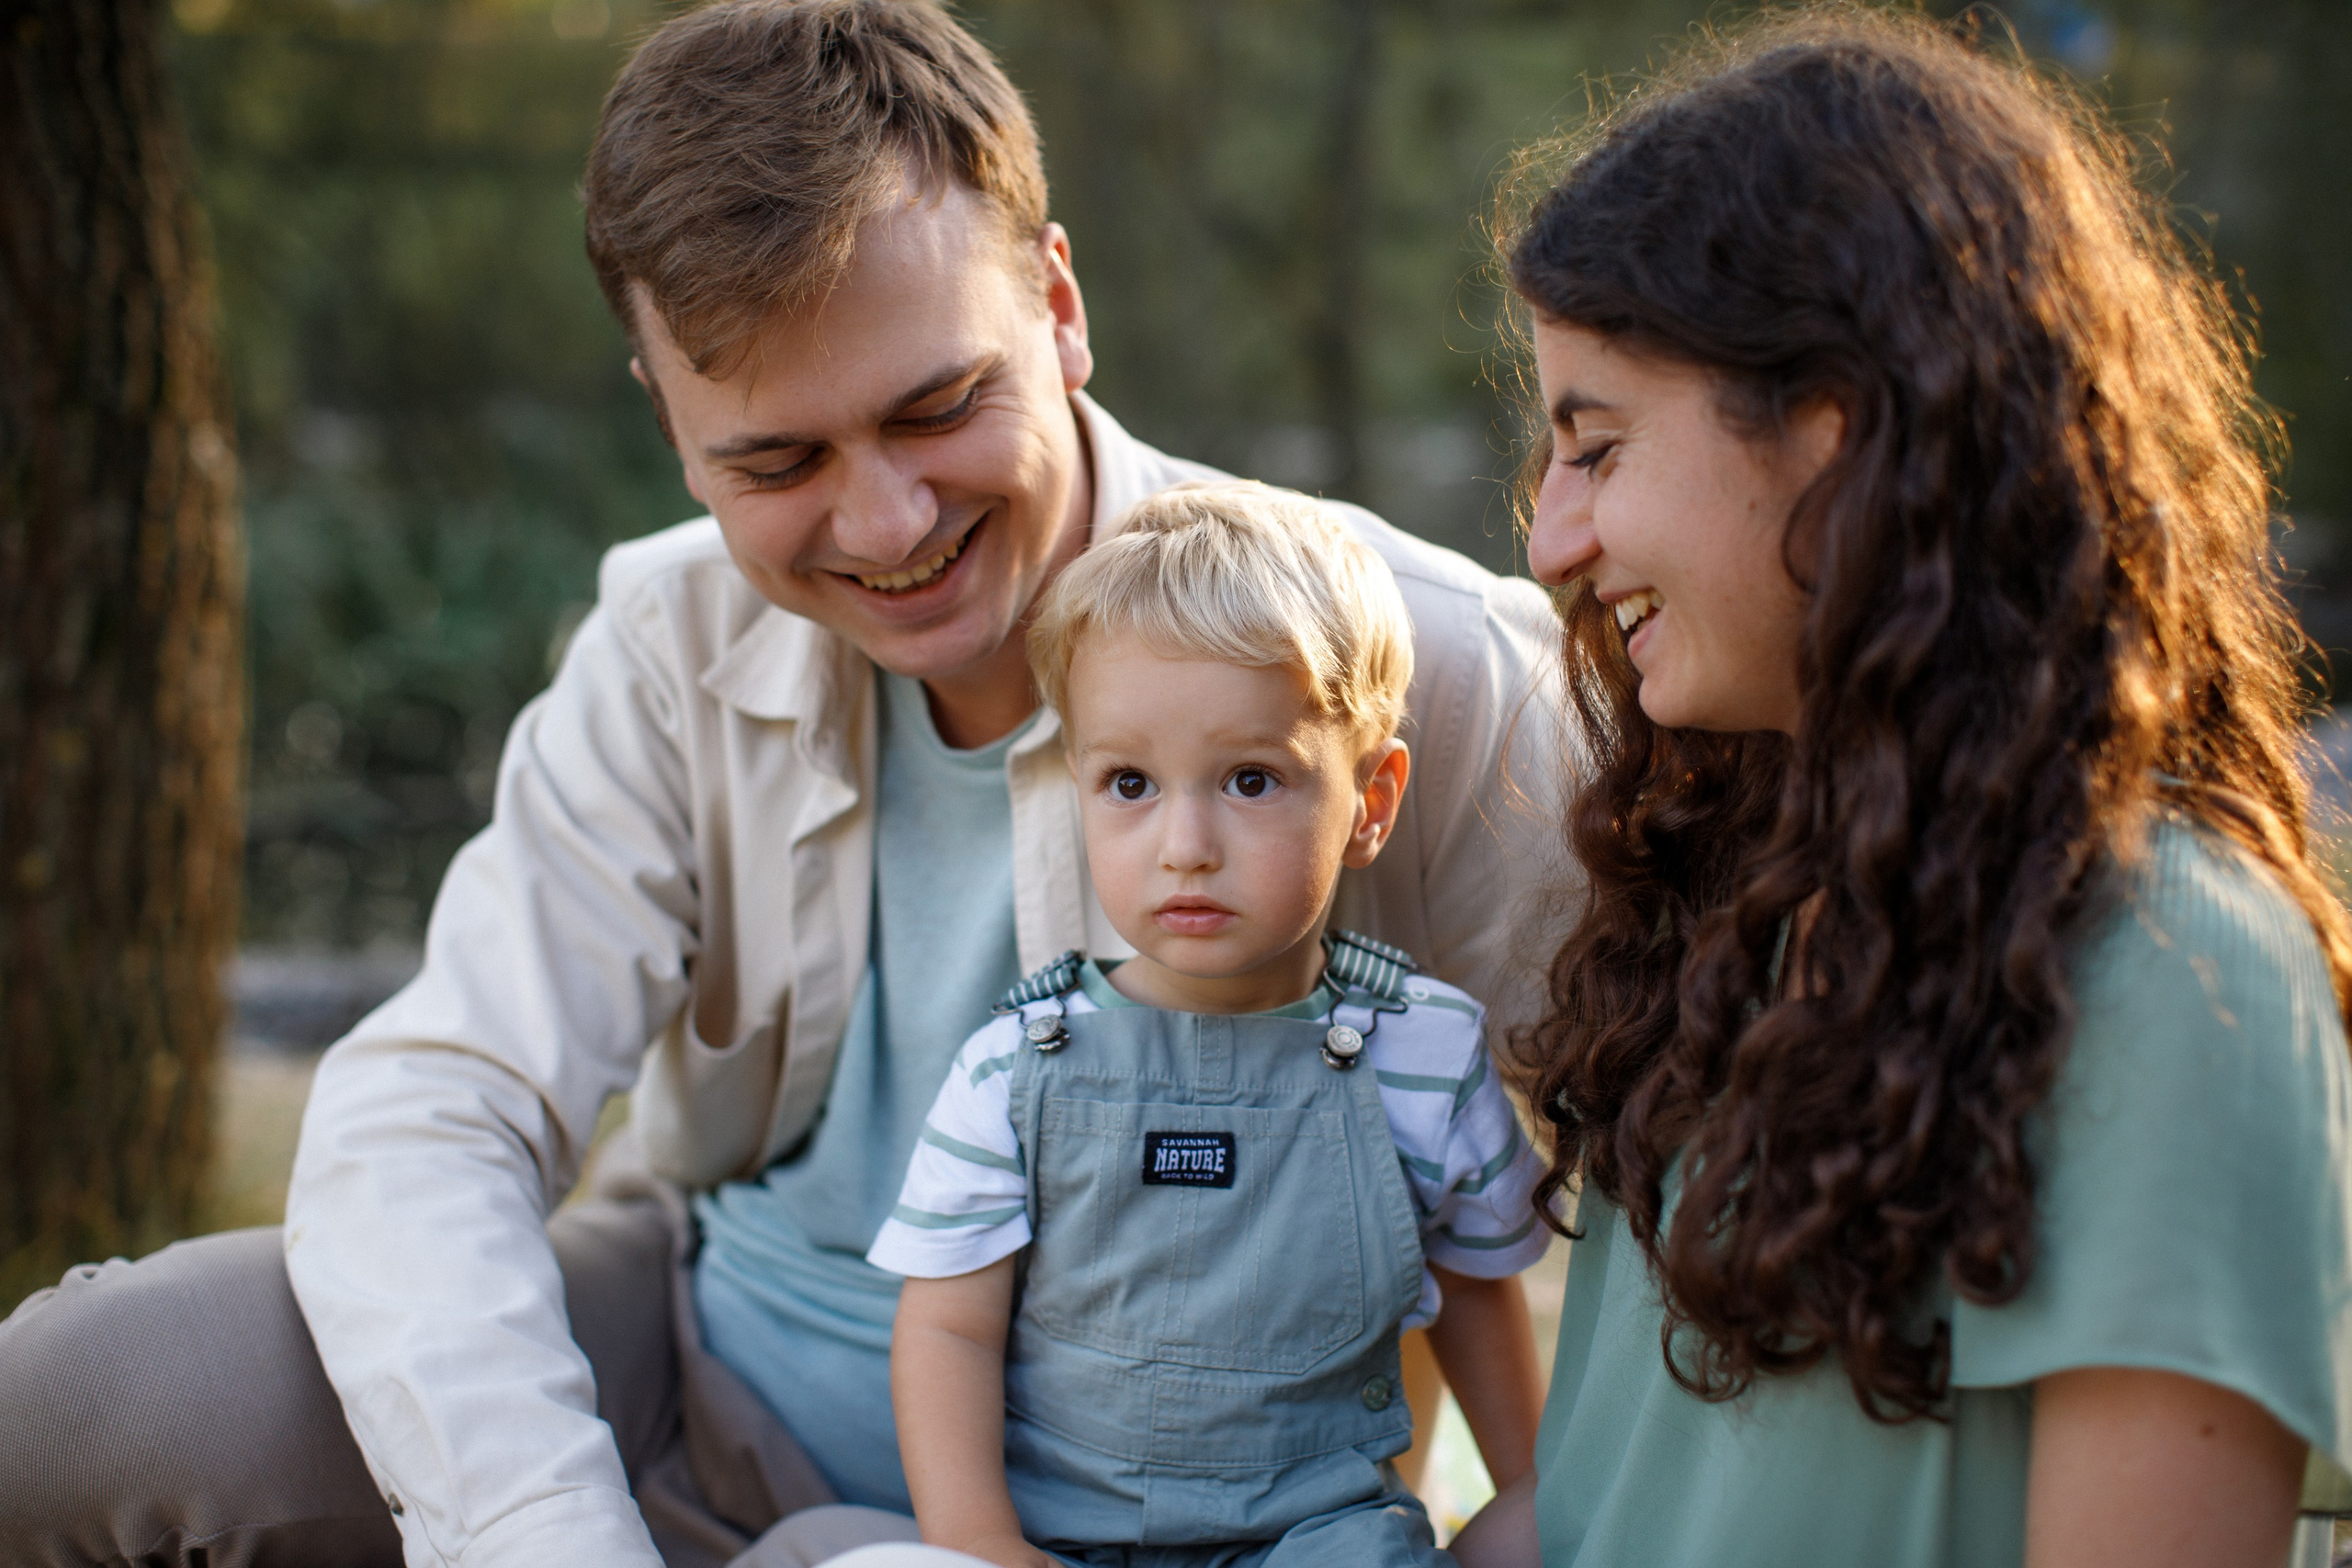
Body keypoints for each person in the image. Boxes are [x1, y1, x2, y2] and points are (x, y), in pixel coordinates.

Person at [0, 4, 1567, 1566]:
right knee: (74, 1396)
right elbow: (438, 1101)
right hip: (700, 1377)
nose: (886, 524)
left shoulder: (1403, 662)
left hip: (1176, 1510)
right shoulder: (668, 639)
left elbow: (1703, 1136)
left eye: (937, 406)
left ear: (1060, 305)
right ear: (668, 421)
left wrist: (1549, 1512)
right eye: (775, 462)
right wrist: (548, 1527)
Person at [1444, 9, 2352, 1568]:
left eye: (1597, 446)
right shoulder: (1738, 910)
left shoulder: (2175, 978)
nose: (1551, 543)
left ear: (1837, 426)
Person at [855, 483, 1547, 1568]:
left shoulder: (1423, 1055)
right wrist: (985, 1545)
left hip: (1315, 1537)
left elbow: (1472, 1292)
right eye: (1129, 781)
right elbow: (946, 1326)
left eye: (1249, 780)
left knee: (1550, 1530)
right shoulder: (1018, 1067)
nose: (1185, 844)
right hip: (1061, 1538)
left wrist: (1531, 1491)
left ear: (1369, 801)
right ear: (1074, 785)